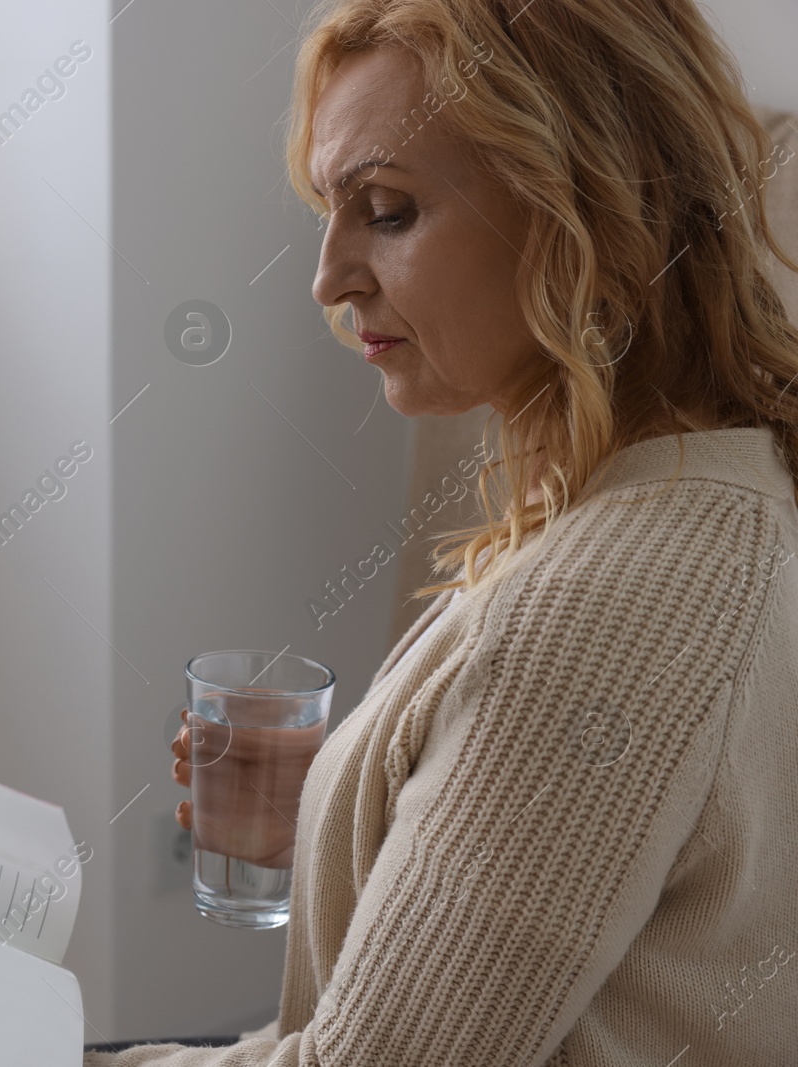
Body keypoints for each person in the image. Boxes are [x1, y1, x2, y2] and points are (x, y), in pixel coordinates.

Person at [86, 0, 798, 1063]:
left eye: (386, 209)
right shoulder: (732, 476)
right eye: (330, 211)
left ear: (585, 205)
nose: (327, 278)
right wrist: (355, 811)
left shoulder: (606, 601)